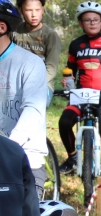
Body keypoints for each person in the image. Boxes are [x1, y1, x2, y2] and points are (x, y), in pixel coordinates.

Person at [58, 1, 101, 211]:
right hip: (81, 97)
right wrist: (67, 83)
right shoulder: (76, 45)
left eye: (95, 20)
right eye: (87, 20)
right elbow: (70, 70)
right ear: (81, 23)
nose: (92, 23)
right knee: (64, 121)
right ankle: (73, 159)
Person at [0, 0, 48, 200]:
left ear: (2, 27)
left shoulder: (30, 64)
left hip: (25, 162)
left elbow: (34, 111)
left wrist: (7, 148)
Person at [13, 0, 61, 106]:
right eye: (29, 10)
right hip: (15, 83)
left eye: (37, 10)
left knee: (33, 106)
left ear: (43, 10)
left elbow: (51, 68)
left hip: (42, 84)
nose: (34, 15)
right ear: (21, 11)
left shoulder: (50, 35)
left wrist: (32, 84)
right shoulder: (15, 32)